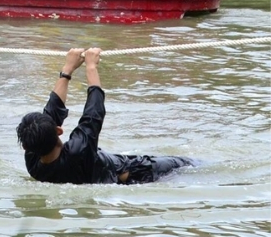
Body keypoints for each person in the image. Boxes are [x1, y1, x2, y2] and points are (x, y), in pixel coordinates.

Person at [16, 48, 195, 185]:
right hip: (138, 173)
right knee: (191, 165)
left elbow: (53, 110)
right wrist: (91, 66)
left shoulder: (33, 163)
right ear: (58, 130)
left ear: (25, 147)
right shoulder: (78, 152)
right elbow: (94, 114)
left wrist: (68, 69)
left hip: (106, 175)